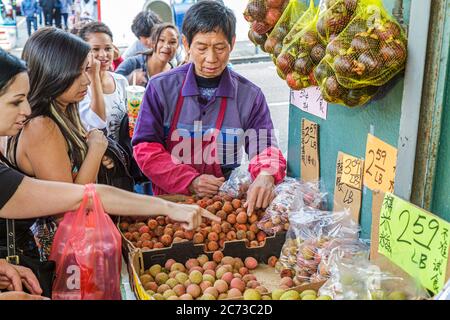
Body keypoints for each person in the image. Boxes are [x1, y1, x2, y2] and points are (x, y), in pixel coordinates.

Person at [0, 48, 219, 298]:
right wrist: (167, 207)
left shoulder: (52, 122)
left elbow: (87, 194)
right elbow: (80, 198)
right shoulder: (42, 126)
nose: (27, 110)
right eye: (16, 101)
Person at [132, 1, 287, 216]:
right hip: (171, 203)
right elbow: (145, 148)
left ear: (232, 43)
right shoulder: (161, 88)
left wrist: (266, 173)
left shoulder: (250, 96)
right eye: (202, 48)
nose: (211, 59)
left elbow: (265, 145)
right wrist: (190, 180)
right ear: (186, 44)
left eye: (220, 48)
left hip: (226, 205)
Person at [7, 28, 116, 261]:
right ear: (53, 74)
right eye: (77, 73)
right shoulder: (42, 126)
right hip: (63, 257)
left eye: (86, 70)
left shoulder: (62, 111)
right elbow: (70, 206)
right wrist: (96, 150)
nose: (86, 79)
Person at [77, 22, 128, 143]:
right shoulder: (79, 87)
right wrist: (94, 75)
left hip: (122, 154)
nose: (103, 55)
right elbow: (97, 122)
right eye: (95, 49)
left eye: (107, 48)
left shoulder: (121, 81)